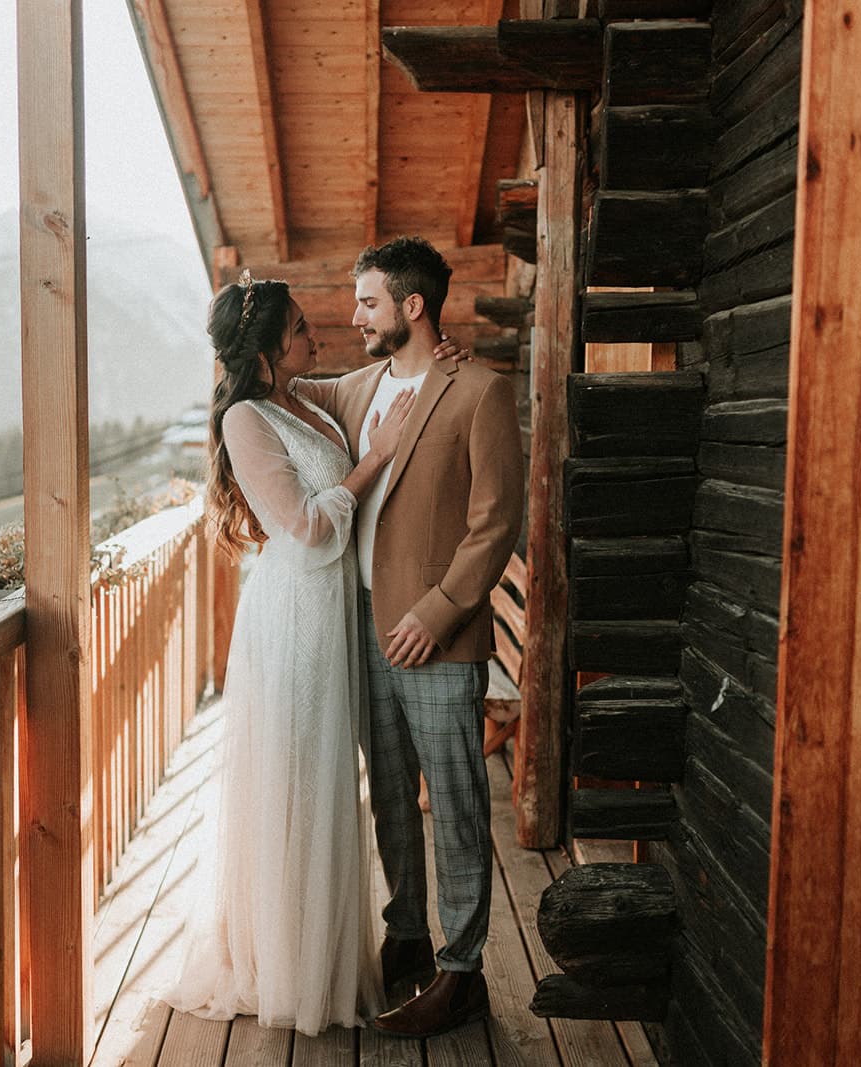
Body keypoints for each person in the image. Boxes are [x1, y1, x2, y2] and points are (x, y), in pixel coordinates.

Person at [163, 271, 417, 1034]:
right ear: (270, 349)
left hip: (334, 608)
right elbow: (304, 526)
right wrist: (375, 457)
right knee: (300, 777)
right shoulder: (246, 418)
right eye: (302, 329)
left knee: (331, 780)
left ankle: (325, 956)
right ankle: (291, 970)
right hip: (294, 618)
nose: (318, 335)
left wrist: (434, 354)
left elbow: (375, 374)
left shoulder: (302, 398)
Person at [296, 236, 525, 1038]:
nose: (354, 315)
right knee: (388, 791)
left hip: (437, 634)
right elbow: (276, 384)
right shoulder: (356, 388)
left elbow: (495, 523)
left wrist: (436, 612)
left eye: (367, 301)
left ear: (412, 306)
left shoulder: (481, 393)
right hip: (361, 627)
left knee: (457, 801)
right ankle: (407, 937)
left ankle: (463, 974)